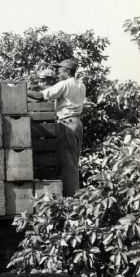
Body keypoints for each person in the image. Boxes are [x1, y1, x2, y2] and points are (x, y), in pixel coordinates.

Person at [27, 59, 86, 197]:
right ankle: (73, 198)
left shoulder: (64, 84)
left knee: (66, 164)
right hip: (77, 123)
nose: (58, 74)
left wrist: (22, 90)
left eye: (60, 71)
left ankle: (70, 200)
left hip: (66, 124)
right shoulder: (80, 84)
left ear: (67, 71)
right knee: (72, 162)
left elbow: (42, 96)